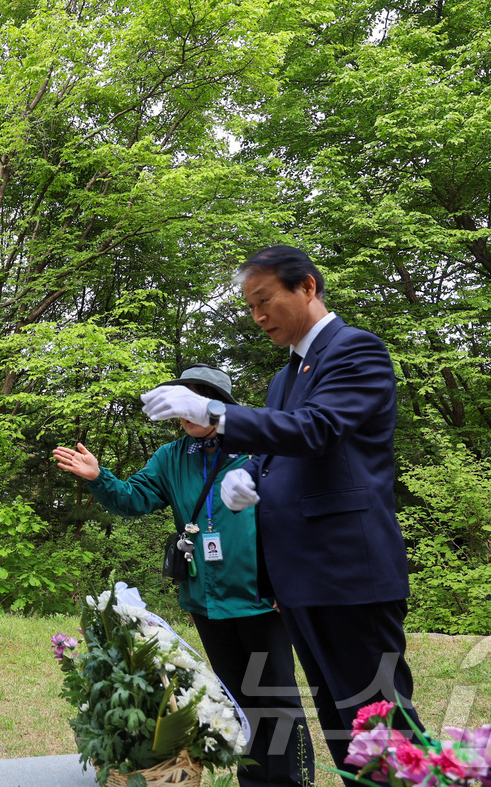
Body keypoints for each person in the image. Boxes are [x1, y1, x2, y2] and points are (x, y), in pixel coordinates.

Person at [140, 246, 421, 779]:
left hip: (348, 572)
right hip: (301, 580)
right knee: (341, 722)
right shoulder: (284, 377)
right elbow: (289, 449)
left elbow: (318, 428)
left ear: (307, 287)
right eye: (249, 306)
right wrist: (253, 478)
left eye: (264, 300)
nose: (258, 316)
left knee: (380, 722)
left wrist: (214, 411)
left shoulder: (355, 350)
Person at [53, 364, 313, 787]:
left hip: (261, 598)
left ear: (219, 405)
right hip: (207, 600)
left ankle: (294, 780)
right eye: (180, 404)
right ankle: (255, 781)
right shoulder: (172, 457)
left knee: (276, 696)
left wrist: (290, 582)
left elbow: (294, 518)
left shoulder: (258, 450)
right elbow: (134, 500)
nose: (185, 413)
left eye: (194, 401)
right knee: (236, 699)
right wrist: (100, 478)